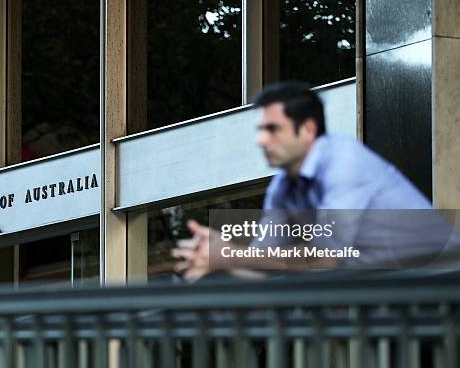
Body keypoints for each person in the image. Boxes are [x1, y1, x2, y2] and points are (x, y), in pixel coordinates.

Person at [172, 82, 455, 281]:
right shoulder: (284, 186)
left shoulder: (345, 162)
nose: (260, 141)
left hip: (444, 287)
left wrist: (231, 256)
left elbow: (328, 257)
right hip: (396, 298)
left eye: (272, 129)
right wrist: (213, 259)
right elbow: (262, 261)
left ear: (307, 130)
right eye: (260, 130)